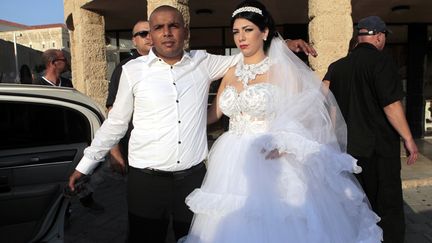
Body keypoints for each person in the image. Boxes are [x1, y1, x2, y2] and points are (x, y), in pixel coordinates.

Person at [68, 5, 316, 242]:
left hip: (194, 179)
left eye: (173, 26)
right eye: (158, 27)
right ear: (151, 34)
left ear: (185, 32)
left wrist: (282, 46)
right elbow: (116, 123)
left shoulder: (204, 62)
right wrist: (86, 164)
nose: (166, 32)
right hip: (146, 182)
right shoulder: (132, 70)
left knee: (196, 237)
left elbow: (248, 56)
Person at [182, 1, 383, 243]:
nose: (241, 38)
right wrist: (179, 122)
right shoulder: (231, 72)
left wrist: (286, 143)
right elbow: (214, 114)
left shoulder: (282, 69)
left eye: (248, 30)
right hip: (230, 159)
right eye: (236, 31)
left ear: (264, 32)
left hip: (270, 157)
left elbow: (308, 113)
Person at [323, 16, 418, 243]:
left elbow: (321, 100)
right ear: (378, 36)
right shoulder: (383, 63)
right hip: (380, 150)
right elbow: (391, 106)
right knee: (387, 206)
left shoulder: (337, 67)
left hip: (349, 151)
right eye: (383, 36)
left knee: (357, 205)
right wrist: (408, 138)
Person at [106, 20, 152, 174]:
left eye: (152, 32)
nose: (149, 37)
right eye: (143, 34)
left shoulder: (169, 64)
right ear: (134, 40)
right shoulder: (124, 69)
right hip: (134, 145)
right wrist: (114, 151)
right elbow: (113, 111)